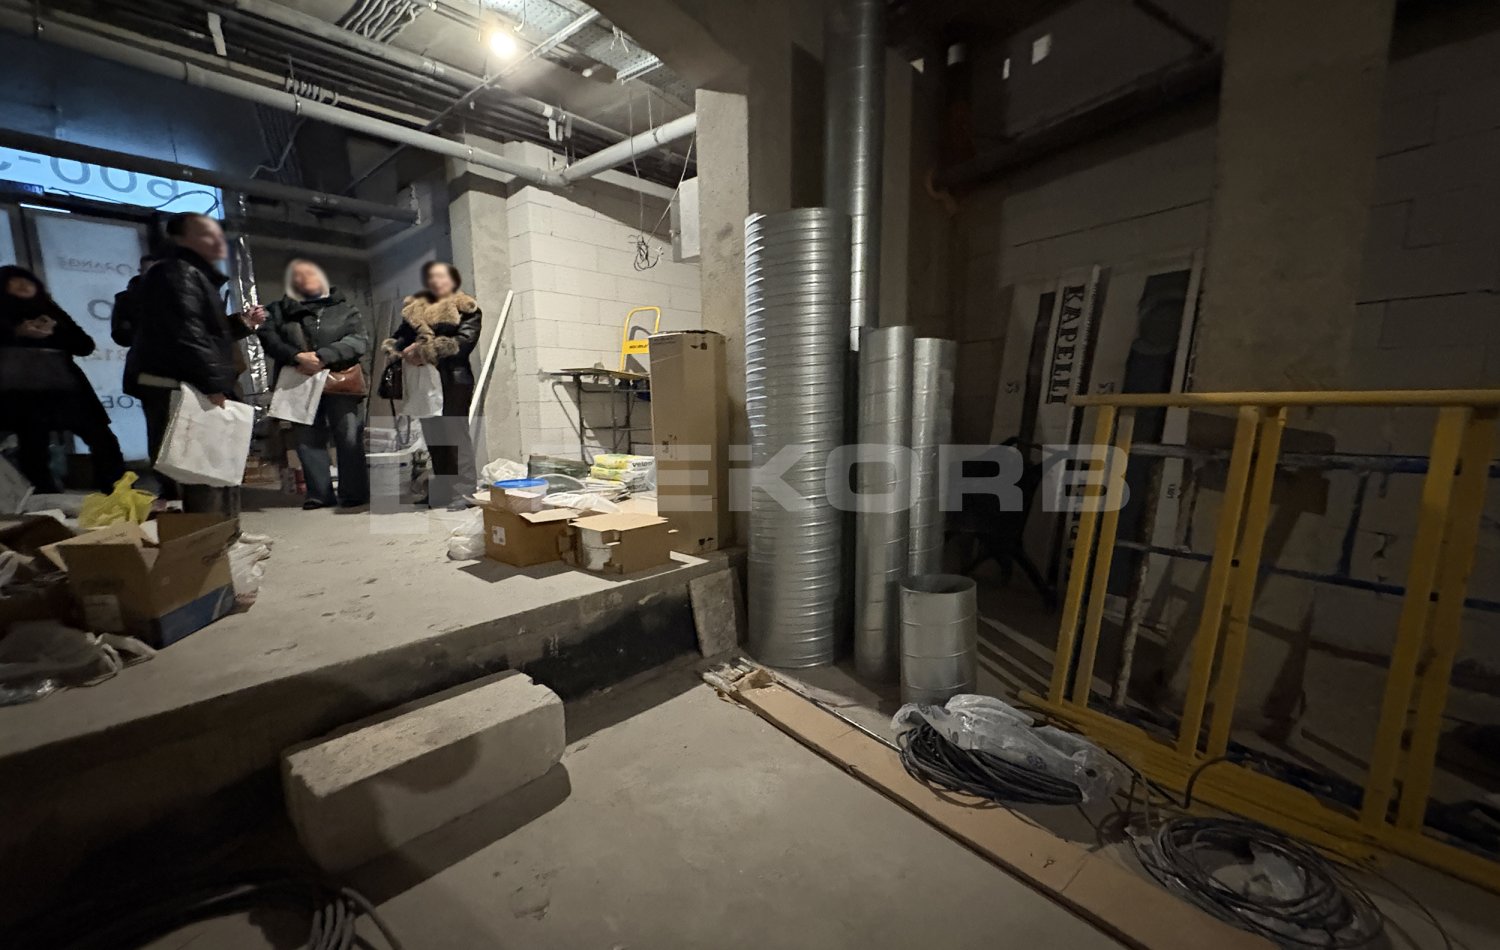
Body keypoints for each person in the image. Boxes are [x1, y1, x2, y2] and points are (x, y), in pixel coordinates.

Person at [134, 212, 266, 516]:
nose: (216, 239)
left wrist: (243, 323)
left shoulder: (195, 274)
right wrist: (212, 385)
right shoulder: (176, 273)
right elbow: (188, 334)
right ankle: (211, 535)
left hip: (195, 380)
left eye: (217, 233)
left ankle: (227, 531)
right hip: (183, 384)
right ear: (180, 238)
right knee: (202, 467)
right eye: (204, 233)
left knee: (220, 462)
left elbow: (207, 332)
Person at [0, 265, 127, 493]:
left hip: (67, 388)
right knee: (33, 445)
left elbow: (84, 345)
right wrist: (17, 333)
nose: (24, 288)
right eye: (16, 284)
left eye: (27, 282)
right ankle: (43, 495)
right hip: (23, 392)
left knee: (102, 438)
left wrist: (55, 329)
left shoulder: (49, 308)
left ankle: (115, 489)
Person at [258, 259, 370, 510]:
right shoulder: (279, 310)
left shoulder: (345, 310)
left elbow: (358, 340)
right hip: (298, 379)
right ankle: (319, 494)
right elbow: (269, 338)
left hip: (340, 380)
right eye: (297, 276)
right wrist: (297, 356)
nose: (304, 279)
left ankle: (354, 493)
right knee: (306, 438)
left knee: (349, 435)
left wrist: (322, 357)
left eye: (309, 274)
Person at [383, 261, 481, 510]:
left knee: (455, 435)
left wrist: (424, 351)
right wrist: (398, 349)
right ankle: (443, 490)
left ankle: (465, 491)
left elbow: (464, 342)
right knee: (434, 437)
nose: (436, 281)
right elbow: (399, 337)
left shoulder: (466, 307)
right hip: (423, 382)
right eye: (432, 277)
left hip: (453, 379)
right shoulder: (415, 309)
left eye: (442, 276)